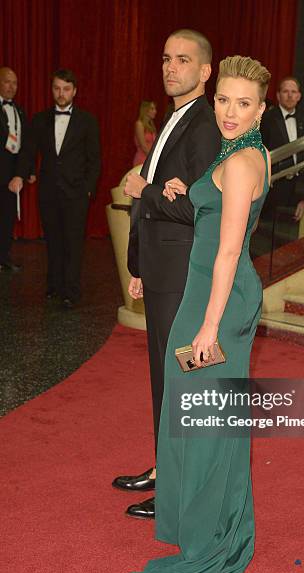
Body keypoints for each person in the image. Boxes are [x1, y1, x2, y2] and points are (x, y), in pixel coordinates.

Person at [129, 55, 271, 573]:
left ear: (261, 111)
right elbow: (214, 215)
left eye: (244, 104)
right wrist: (184, 191)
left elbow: (230, 248)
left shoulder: (240, 163)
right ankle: (210, 526)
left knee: (205, 418)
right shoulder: (236, 152)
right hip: (201, 293)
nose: (230, 111)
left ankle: (212, 539)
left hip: (219, 302)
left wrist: (209, 326)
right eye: (224, 100)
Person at [112, 30, 220, 518]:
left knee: (181, 381)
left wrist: (144, 188)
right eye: (165, 58)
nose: (170, 67)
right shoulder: (175, 119)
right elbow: (159, 200)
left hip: (182, 272)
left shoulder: (203, 125)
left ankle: (178, 488)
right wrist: (138, 263)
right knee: (163, 379)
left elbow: (197, 205)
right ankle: (164, 468)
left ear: (205, 72)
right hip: (160, 267)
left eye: (183, 60)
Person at [10, 69, 100, 308]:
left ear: (75, 91)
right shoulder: (40, 119)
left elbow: (95, 160)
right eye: (57, 88)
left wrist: (88, 190)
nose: (61, 94)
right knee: (53, 241)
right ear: (52, 90)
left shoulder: (87, 121)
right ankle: (54, 285)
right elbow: (28, 151)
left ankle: (71, 291)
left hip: (76, 194)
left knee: (73, 243)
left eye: (66, 89)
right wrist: (20, 174)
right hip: (48, 192)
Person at [260, 76, 304, 247]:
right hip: (271, 187)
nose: (289, 95)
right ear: (278, 95)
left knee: (287, 242)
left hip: (293, 190)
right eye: (285, 91)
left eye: (293, 92)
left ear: (299, 96)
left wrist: (303, 197)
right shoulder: (266, 120)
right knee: (264, 241)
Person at [0, 67, 30, 272]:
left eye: (15, 83)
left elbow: (24, 144)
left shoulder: (19, 110)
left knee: (7, 217)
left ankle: (3, 256)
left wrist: (26, 172)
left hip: (12, 177)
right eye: (7, 82)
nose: (12, 87)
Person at [133, 100, 157, 166]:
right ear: (145, 110)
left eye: (155, 109)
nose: (155, 111)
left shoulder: (152, 125)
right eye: (152, 109)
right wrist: (153, 159)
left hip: (150, 158)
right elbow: (143, 146)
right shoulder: (139, 124)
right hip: (142, 159)